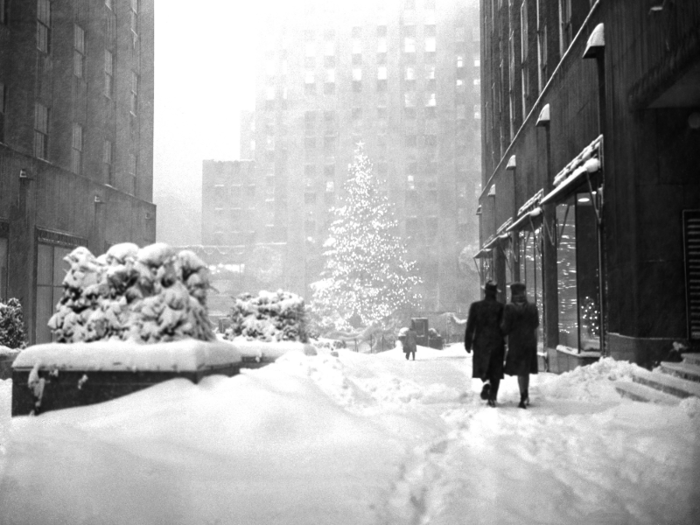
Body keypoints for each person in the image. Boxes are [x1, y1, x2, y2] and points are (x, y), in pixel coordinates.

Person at [464, 280, 505, 407]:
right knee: (496, 371)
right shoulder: (500, 307)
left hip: (481, 343)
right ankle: (492, 397)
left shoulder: (476, 306)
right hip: (497, 343)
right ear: (495, 293)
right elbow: (504, 327)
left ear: (485, 292)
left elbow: (470, 326)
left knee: (483, 367)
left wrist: (468, 342)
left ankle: (486, 382)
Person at [502, 282, 540, 409]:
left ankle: (523, 395)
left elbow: (505, 328)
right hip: (529, 343)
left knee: (520, 371)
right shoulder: (532, 307)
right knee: (525, 371)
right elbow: (535, 324)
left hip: (516, 344)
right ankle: (525, 394)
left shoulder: (509, 308)